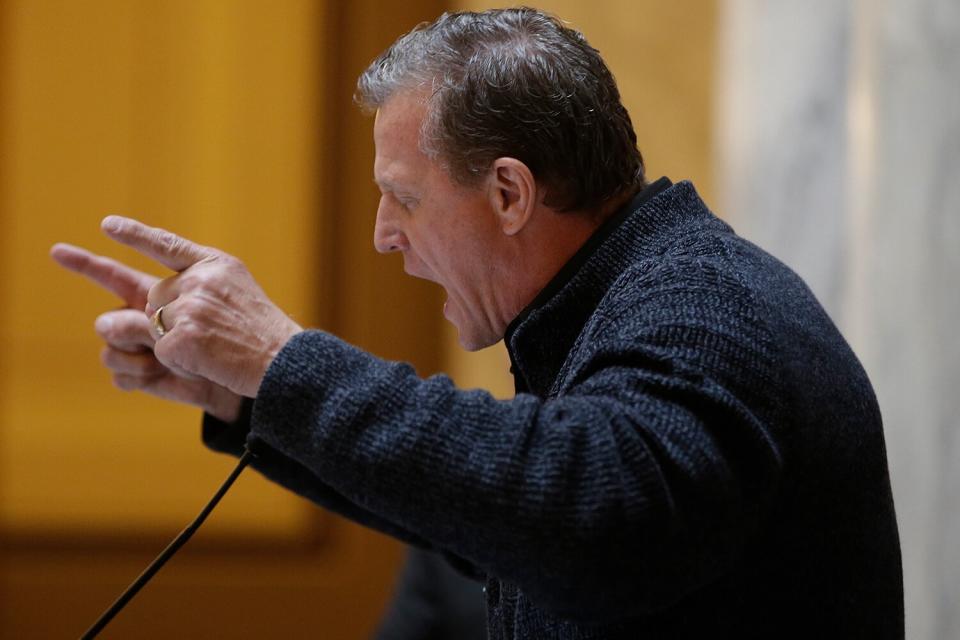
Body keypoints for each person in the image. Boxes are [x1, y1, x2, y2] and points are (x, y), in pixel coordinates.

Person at [51, 7, 904, 639]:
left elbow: (589, 519)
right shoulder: (634, 296)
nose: (384, 235)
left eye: (404, 199)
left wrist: (282, 359)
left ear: (509, 193)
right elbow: (503, 519)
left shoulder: (703, 307)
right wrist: (247, 398)